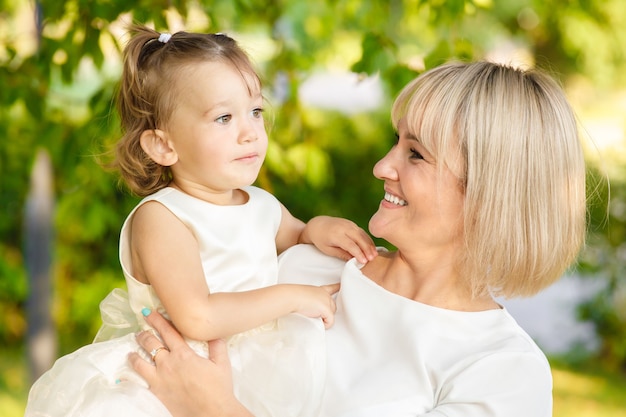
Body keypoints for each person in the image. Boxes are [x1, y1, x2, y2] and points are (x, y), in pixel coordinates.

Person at [129, 60, 587, 417]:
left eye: (416, 154)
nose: (382, 167)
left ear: (491, 195)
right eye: (397, 141)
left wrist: (214, 410)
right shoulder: (306, 265)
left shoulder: (502, 372)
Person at [24, 24, 377, 417]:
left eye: (255, 111)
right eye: (224, 118)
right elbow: (197, 316)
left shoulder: (259, 203)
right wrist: (293, 296)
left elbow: (295, 234)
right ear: (163, 145)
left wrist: (319, 227)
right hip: (176, 372)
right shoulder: (162, 218)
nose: (250, 133)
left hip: (254, 366)